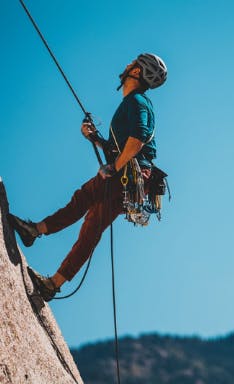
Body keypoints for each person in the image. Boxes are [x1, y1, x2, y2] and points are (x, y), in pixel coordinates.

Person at [9, 53, 167, 301]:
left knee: (83, 198)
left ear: (136, 72)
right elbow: (127, 145)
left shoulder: (136, 101)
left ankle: (34, 231)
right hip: (135, 179)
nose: (127, 64)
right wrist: (95, 138)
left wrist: (113, 167)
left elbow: (136, 141)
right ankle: (53, 283)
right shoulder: (134, 102)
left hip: (127, 174)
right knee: (92, 226)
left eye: (132, 63)